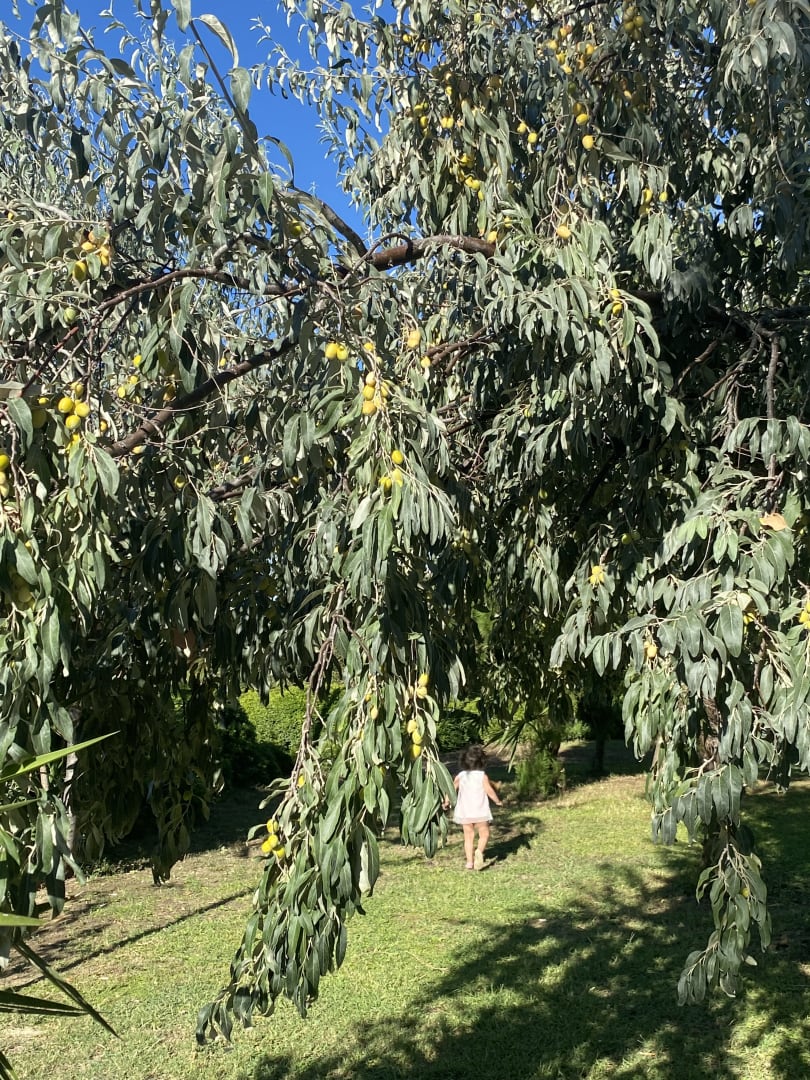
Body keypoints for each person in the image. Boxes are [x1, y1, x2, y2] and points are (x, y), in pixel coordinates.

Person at [452, 745, 503, 870]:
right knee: (484, 834)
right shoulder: (482, 776)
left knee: (468, 837)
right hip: (480, 811)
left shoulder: (460, 776)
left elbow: (451, 790)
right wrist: (497, 801)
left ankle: (470, 862)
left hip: (465, 812)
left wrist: (446, 801)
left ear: (464, 761)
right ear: (482, 762)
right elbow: (489, 791)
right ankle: (479, 851)